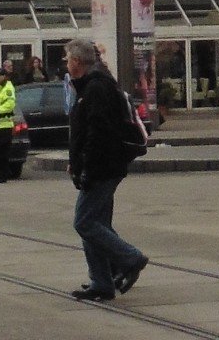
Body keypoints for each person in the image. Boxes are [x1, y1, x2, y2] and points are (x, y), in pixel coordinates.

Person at [63, 37, 148, 302]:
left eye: (67, 59)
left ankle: (130, 258)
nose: (66, 63)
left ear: (77, 62)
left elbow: (98, 133)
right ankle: (101, 281)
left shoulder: (96, 87)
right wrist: (75, 161)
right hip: (101, 165)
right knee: (96, 223)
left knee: (85, 222)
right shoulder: (91, 85)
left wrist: (86, 166)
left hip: (102, 167)